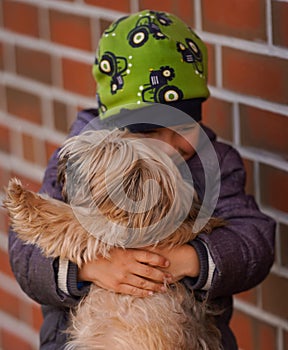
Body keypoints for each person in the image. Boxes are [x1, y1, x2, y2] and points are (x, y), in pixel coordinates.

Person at [8, 10, 275, 350]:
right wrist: (91, 269)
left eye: (183, 128)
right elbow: (27, 249)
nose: (169, 147)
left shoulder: (216, 165)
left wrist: (185, 260)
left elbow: (254, 239)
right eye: (149, 132)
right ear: (113, 130)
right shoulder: (79, 163)